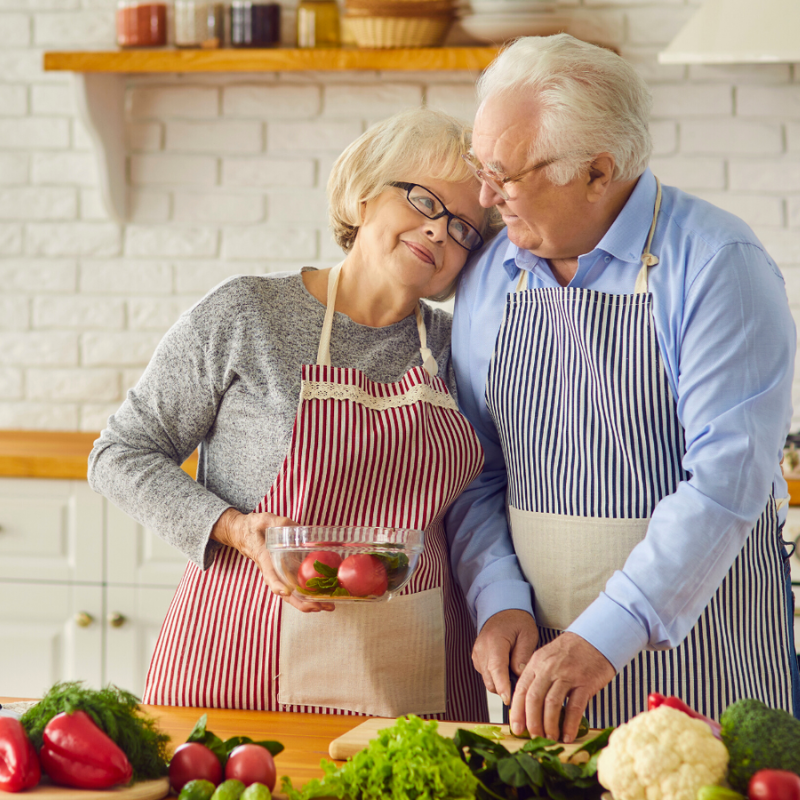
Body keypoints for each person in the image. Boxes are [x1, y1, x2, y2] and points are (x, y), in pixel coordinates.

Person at [88, 107, 503, 720]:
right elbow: (118, 454)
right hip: (237, 662)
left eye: (465, 227)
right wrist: (234, 528)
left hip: (408, 679)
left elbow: (486, 497)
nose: (441, 231)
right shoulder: (247, 314)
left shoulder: (464, 346)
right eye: (424, 201)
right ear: (364, 194)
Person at [446, 33, 799, 742]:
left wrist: (606, 635)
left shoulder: (714, 264)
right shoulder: (492, 275)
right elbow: (476, 469)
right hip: (537, 672)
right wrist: (498, 600)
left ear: (598, 172)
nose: (485, 198)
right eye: (480, 168)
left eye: (505, 175)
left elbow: (725, 483)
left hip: (702, 659)